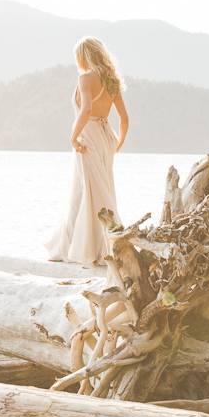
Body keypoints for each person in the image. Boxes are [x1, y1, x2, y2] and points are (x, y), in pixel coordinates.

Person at [45, 37, 129, 265]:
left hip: (88, 134)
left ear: (84, 56)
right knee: (98, 190)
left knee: (88, 192)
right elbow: (124, 119)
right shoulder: (111, 80)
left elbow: (86, 109)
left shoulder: (85, 78)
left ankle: (93, 249)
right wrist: (116, 144)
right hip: (106, 137)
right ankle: (103, 245)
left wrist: (73, 136)